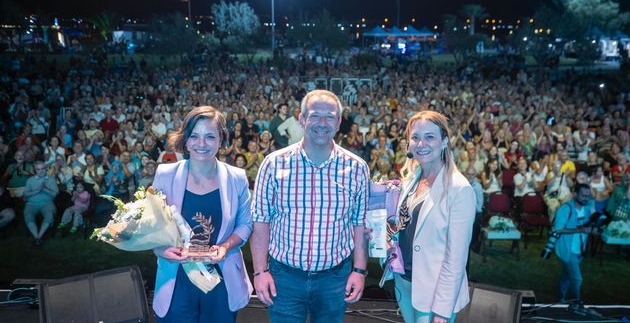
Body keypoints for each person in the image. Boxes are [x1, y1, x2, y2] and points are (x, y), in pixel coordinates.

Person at [251, 89, 370, 323]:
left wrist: (359, 270)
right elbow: (261, 221)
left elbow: (359, 224)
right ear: (302, 118)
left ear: (339, 123)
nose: (322, 123)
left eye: (330, 116)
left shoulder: (357, 168)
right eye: (315, 115)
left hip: (335, 278)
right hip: (284, 277)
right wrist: (260, 271)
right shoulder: (274, 164)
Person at [151, 106, 253, 322]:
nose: (201, 144)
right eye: (194, 136)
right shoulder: (165, 174)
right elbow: (153, 225)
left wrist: (225, 247)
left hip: (221, 279)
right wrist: (160, 249)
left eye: (209, 137)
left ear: (221, 139)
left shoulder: (237, 178)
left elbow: (245, 224)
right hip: (176, 278)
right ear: (185, 140)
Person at [388, 110, 475, 323]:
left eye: (430, 137)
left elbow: (456, 260)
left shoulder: (459, 189)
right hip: (404, 283)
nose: (421, 143)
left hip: (435, 292)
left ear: (444, 141)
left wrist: (442, 311)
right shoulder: (411, 180)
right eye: (415, 137)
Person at [553, 183, 596, 309]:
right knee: (577, 279)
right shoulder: (566, 209)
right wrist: (580, 230)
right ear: (575, 194)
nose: (586, 198)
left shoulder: (587, 208)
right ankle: (577, 303)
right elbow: (558, 229)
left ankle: (561, 298)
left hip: (579, 250)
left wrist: (593, 229)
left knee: (567, 274)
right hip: (568, 249)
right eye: (583, 195)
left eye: (588, 196)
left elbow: (587, 226)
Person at [23, 160, 59, 246]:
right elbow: (25, 194)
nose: (41, 171)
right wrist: (37, 190)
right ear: (35, 170)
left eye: (43, 168)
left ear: (46, 169)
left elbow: (55, 194)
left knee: (49, 215)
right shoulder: (30, 180)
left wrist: (45, 189)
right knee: (28, 215)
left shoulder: (50, 179)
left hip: (47, 203)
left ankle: (38, 237)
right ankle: (37, 237)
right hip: (31, 203)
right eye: (38, 169)